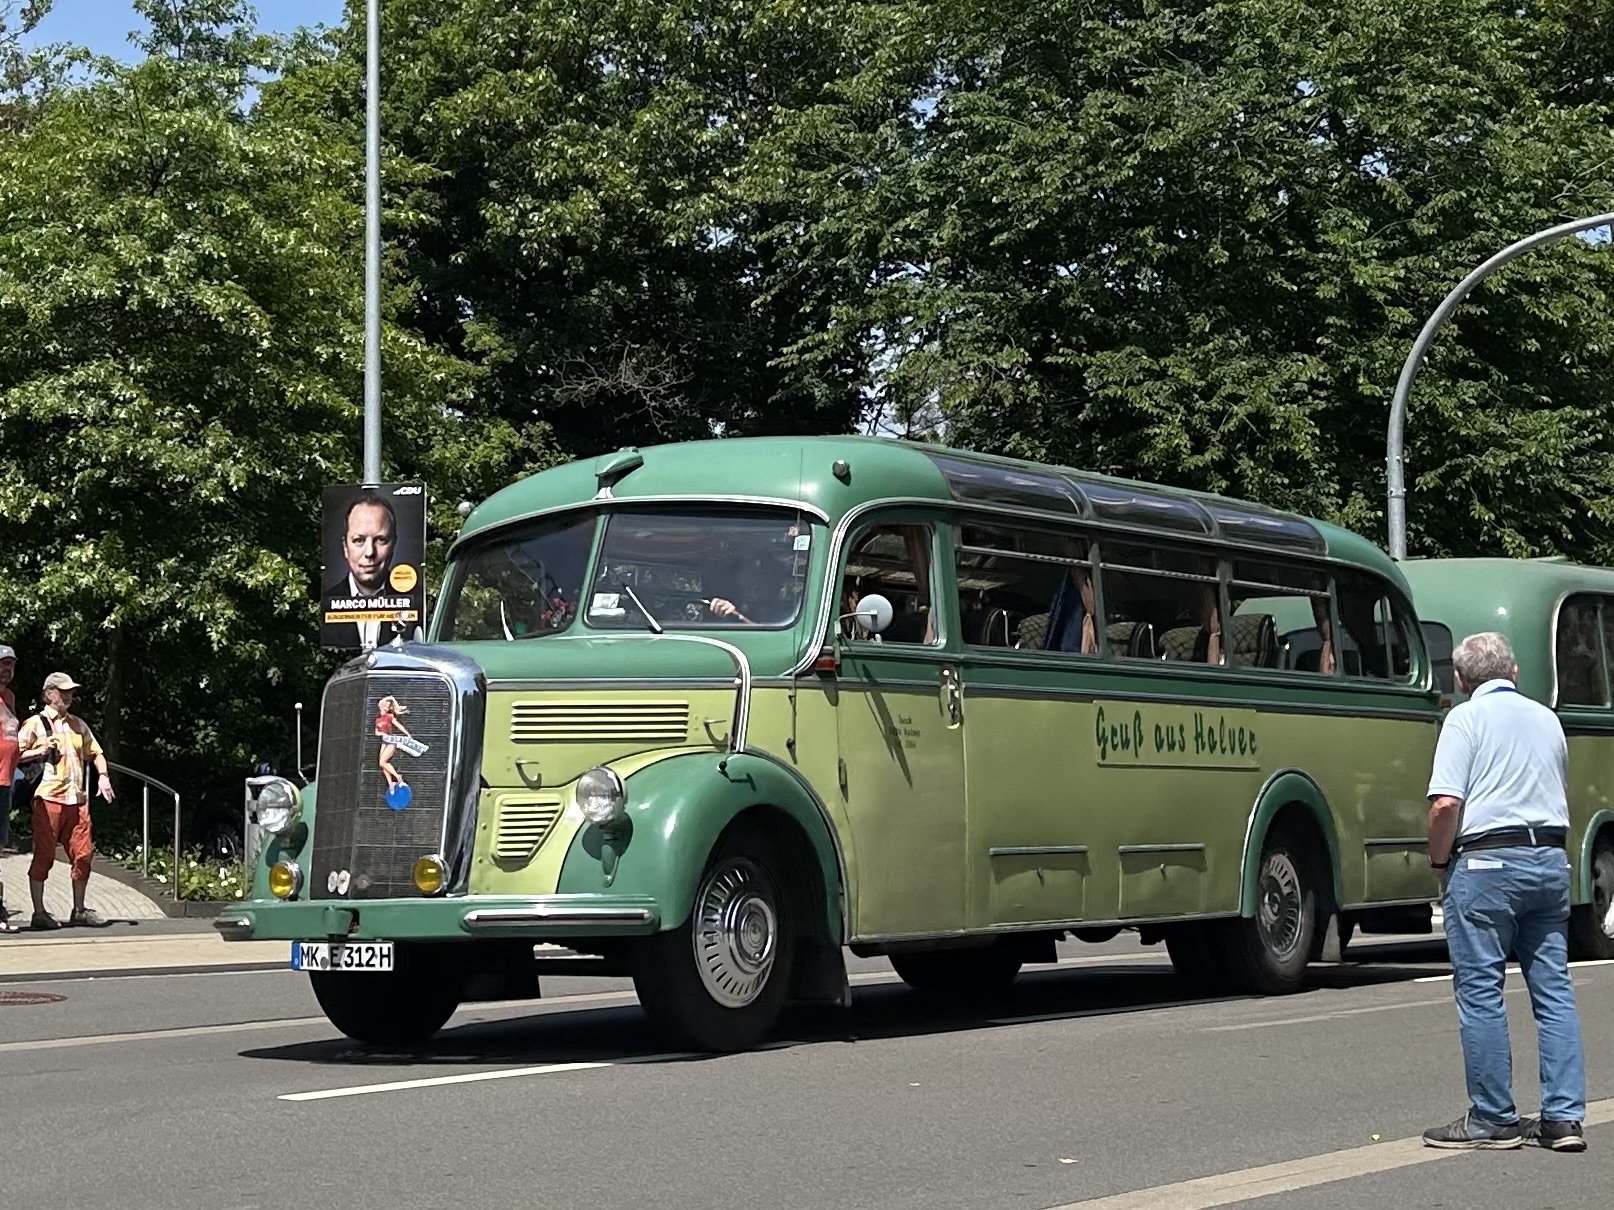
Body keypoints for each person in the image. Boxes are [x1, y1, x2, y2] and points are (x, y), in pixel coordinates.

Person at [1421, 632, 1586, 1152]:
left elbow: (1446, 805)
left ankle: (1494, 1117)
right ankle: (1563, 1119)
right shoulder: (1548, 719)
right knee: (1554, 991)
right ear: (1514, 673)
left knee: (1481, 992)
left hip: (1488, 863)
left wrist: (1439, 861)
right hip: (1549, 860)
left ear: (1460, 680)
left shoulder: (1464, 719)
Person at [15, 672, 114, 929]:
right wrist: (40, 748)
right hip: (48, 798)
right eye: (63, 691)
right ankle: (39, 912)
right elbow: (14, 755)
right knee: (44, 856)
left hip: (77, 800)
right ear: (49, 694)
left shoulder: (78, 724)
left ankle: (79, 910)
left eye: (70, 691)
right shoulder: (35, 723)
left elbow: (96, 753)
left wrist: (103, 776)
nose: (68, 695)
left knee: (84, 855)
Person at [323, 492, 404, 649]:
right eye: (359, 540)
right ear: (345, 547)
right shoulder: (324, 605)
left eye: (380, 540)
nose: (369, 553)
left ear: (394, 544)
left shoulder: (418, 604)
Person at [0, 645, 20, 931]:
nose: (6, 670)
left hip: (5, 780)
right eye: (2, 664)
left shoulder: (9, 697)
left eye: (10, 665)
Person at [374, 696, 412, 793]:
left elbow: (399, 726)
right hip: (384, 742)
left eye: (387, 707)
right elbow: (377, 732)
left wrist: (407, 734)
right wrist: (382, 734)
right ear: (381, 706)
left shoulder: (389, 717)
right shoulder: (378, 720)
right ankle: (390, 783)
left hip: (391, 741)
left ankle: (398, 777)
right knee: (382, 764)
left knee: (382, 762)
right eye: (384, 706)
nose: (385, 708)